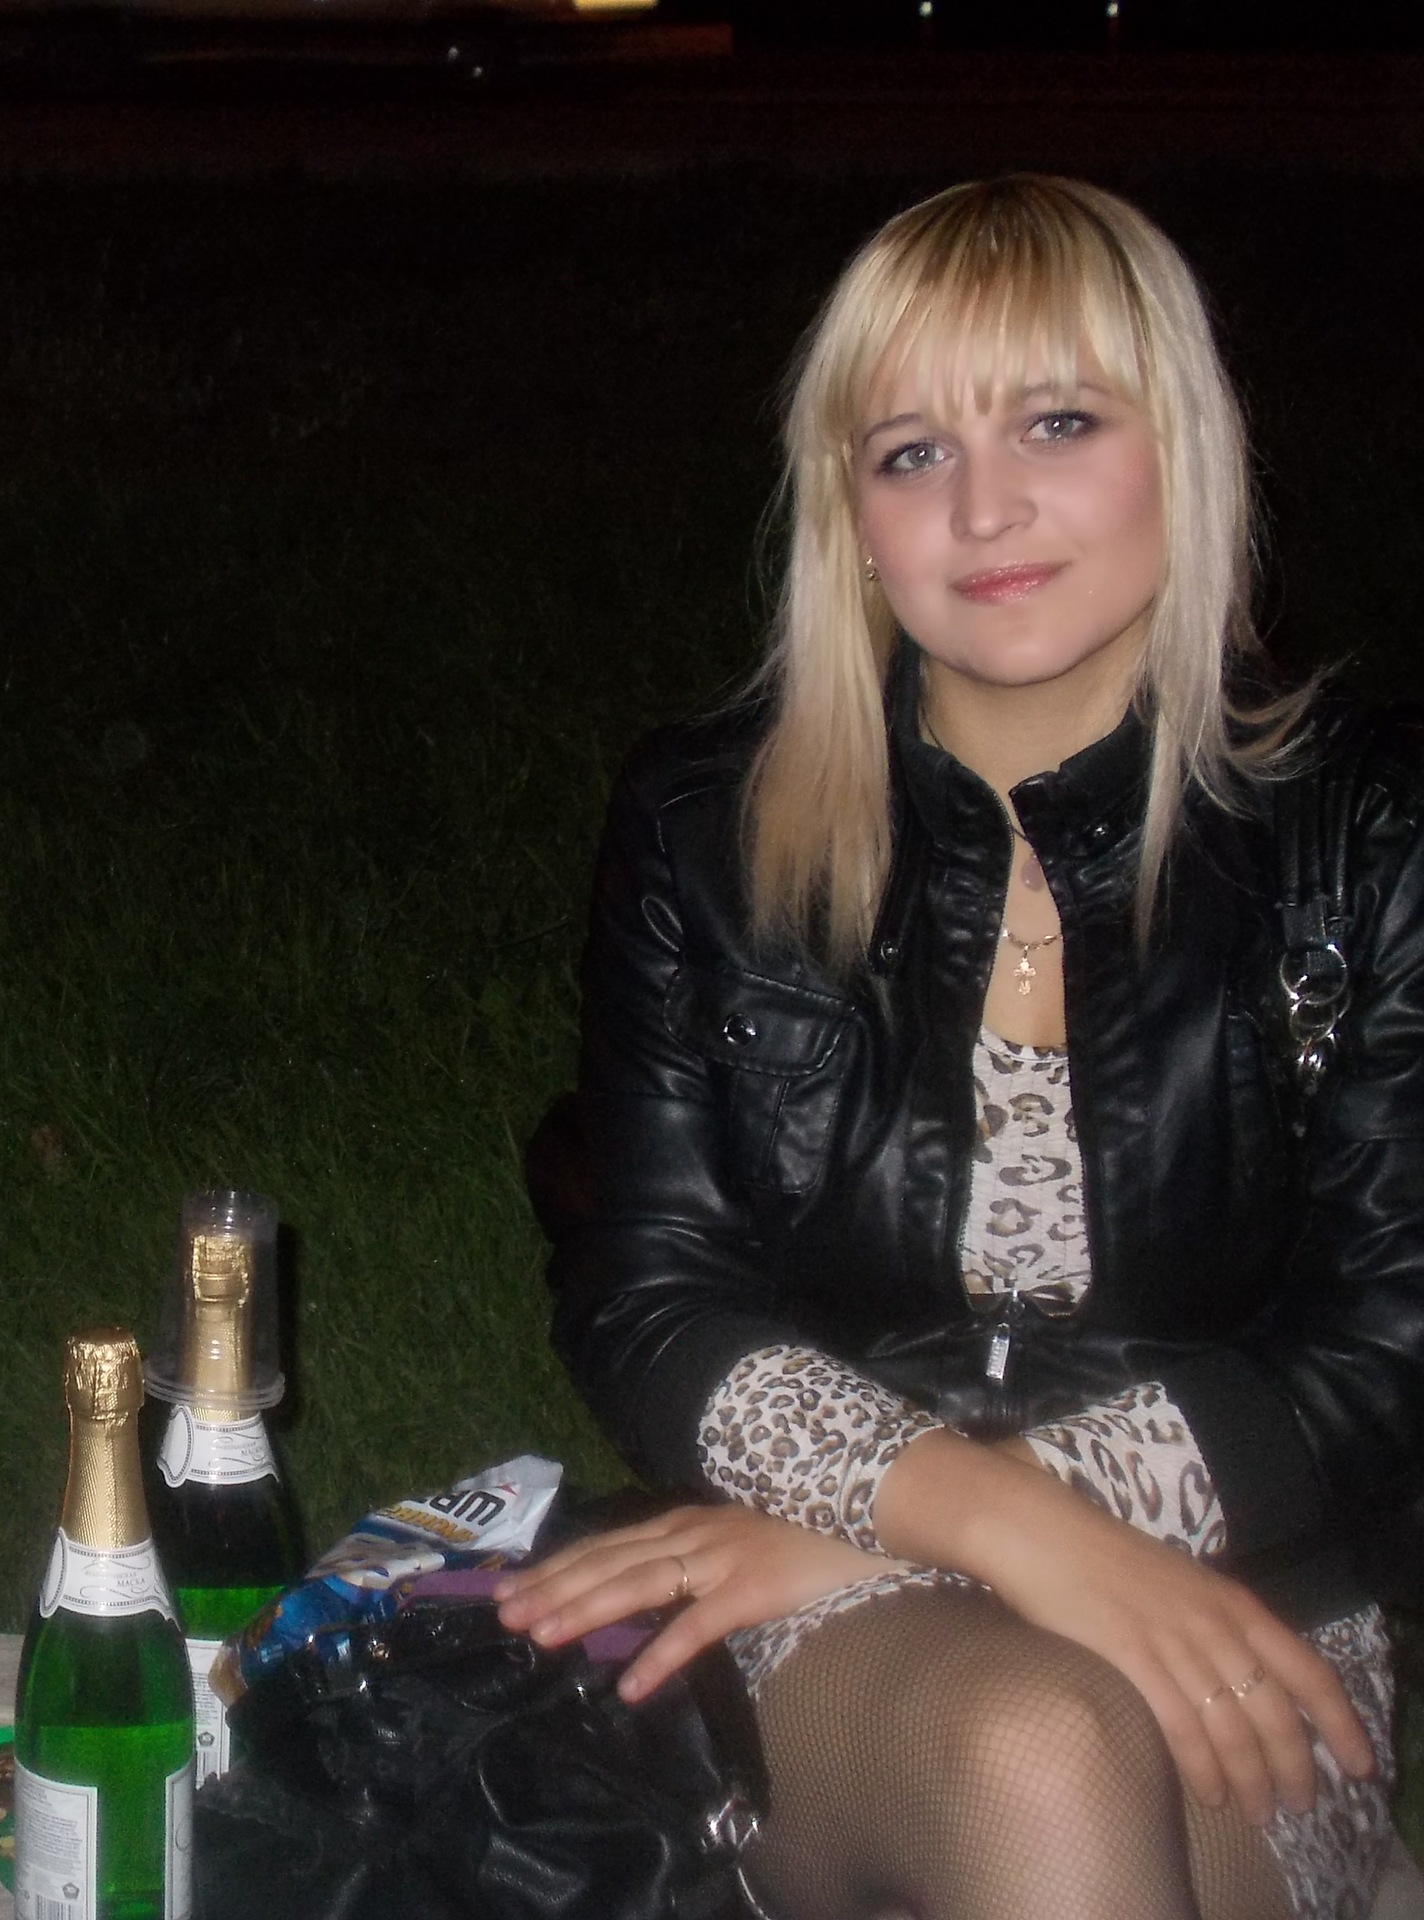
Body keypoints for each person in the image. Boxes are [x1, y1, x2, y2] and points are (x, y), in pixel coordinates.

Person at [499, 174, 1423, 1920]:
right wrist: (961, 1522)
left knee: (1064, 1763)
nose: (983, 506)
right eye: (912, 451)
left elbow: (1390, 1339)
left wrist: (1040, 1514)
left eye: (1058, 423)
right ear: (849, 515)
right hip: (811, 1579)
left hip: (1234, 1585)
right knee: (1035, 1750)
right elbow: (649, 1293)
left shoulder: (1365, 831)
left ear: (1185, 449)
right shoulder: (709, 826)